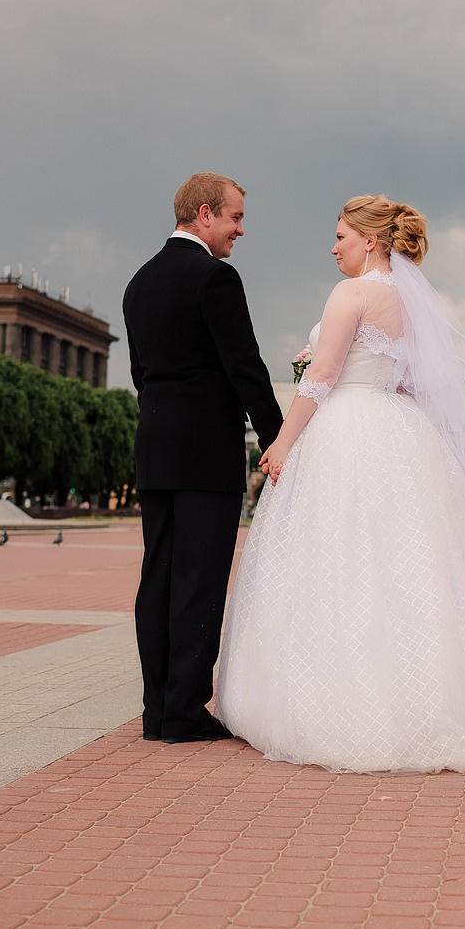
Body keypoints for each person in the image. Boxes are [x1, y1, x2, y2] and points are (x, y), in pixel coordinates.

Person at [214, 195, 465, 773]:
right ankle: (423, 702)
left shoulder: (352, 293)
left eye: (340, 235)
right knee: (402, 566)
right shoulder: (411, 304)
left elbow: (322, 376)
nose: (333, 245)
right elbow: (413, 384)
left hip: (345, 429)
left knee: (334, 561)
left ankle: (335, 703)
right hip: (399, 434)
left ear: (370, 240)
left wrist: (283, 442)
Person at [123, 172, 283, 743]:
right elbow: (244, 365)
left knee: (158, 579)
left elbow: (143, 374)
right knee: (200, 579)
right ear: (206, 214)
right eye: (236, 219)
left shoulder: (139, 282)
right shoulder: (215, 278)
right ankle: (186, 712)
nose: (241, 231)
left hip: (156, 448)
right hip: (205, 454)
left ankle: (157, 711)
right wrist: (277, 438)